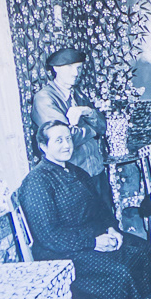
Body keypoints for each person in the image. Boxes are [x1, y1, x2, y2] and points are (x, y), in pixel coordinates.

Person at [17, 120, 151, 299]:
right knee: (118, 272)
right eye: (58, 140)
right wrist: (93, 243)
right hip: (62, 253)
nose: (66, 145)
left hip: (92, 236)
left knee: (142, 249)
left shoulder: (76, 171)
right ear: (43, 146)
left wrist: (112, 229)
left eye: (68, 138)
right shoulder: (37, 182)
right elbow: (49, 236)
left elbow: (101, 208)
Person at [31, 47, 109, 194]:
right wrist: (93, 131)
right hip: (71, 177)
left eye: (78, 68)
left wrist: (87, 111)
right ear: (55, 69)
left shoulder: (78, 95)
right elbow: (67, 137)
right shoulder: (44, 98)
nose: (75, 73)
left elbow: (103, 126)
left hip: (96, 172)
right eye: (69, 68)